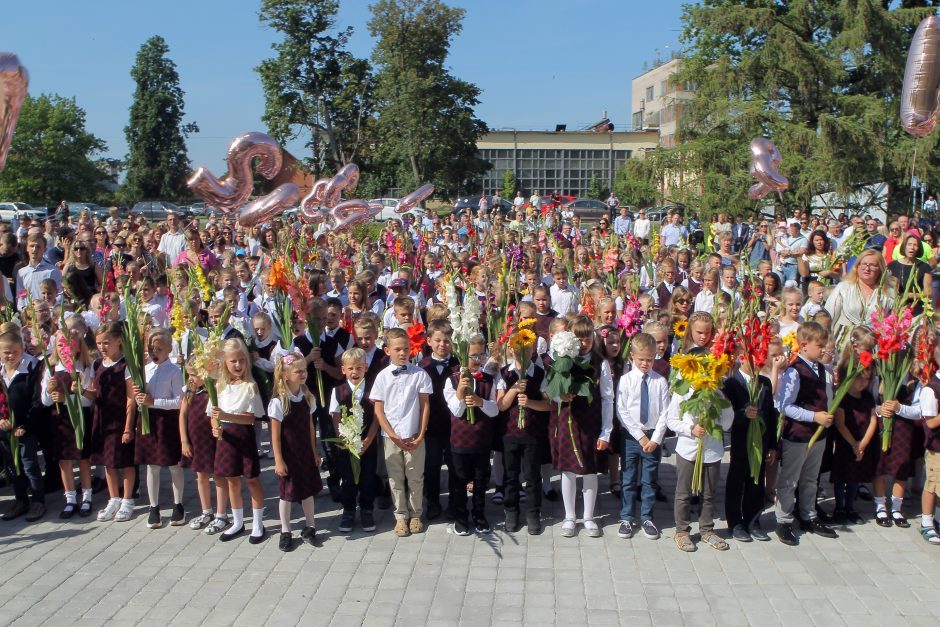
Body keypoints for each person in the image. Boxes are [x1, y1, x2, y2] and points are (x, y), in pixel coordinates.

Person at [774, 321, 838, 545]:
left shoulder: (821, 368)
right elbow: (785, 405)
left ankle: (808, 515)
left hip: (818, 434)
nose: (823, 349)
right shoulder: (794, 370)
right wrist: (814, 416)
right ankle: (783, 520)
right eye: (819, 345)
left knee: (811, 478)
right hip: (799, 434)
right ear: (803, 345)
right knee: (790, 479)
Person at [666, 347, 734, 552]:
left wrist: (723, 405)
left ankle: (707, 529)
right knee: (684, 492)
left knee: (708, 492)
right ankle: (682, 530)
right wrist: (690, 429)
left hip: (711, 450)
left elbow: (728, 422)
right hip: (688, 449)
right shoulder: (683, 391)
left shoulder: (716, 390)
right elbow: (672, 420)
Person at [551, 316, 614, 539]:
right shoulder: (563, 359)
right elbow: (551, 390)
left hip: (591, 422)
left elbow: (607, 398)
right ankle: (570, 516)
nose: (584, 343)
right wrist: (561, 395)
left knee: (589, 470)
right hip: (568, 421)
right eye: (580, 339)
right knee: (568, 470)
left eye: (588, 339)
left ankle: (588, 516)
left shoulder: (601, 363)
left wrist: (606, 431)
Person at [370, 328, 432, 537]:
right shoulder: (382, 377)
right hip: (391, 437)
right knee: (395, 478)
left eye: (406, 349)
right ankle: (400, 516)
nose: (403, 353)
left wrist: (421, 434)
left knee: (415, 476)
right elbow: (379, 410)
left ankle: (416, 513)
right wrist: (393, 435)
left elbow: (424, 406)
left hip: (414, 434)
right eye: (398, 349)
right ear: (387, 350)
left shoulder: (420, 375)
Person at [209, 338, 267, 543]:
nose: (238, 365)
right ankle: (237, 521)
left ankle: (258, 523)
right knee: (231, 480)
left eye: (242, 360)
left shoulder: (250, 386)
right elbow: (212, 414)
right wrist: (215, 427)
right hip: (226, 440)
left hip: (243, 436)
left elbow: (252, 417)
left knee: (251, 479)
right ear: (225, 362)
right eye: (233, 361)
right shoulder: (219, 385)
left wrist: (227, 416)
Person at [615, 333, 669, 541]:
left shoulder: (660, 382)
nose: (645, 363)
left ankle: (647, 517)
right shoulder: (626, 380)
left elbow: (665, 412)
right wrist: (639, 436)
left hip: (653, 436)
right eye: (641, 359)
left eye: (650, 359)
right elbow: (622, 410)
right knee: (628, 477)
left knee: (649, 479)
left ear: (655, 356)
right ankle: (626, 517)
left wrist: (655, 439)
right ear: (633, 357)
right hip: (631, 437)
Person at [131, 328, 185, 529]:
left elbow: (179, 401)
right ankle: (154, 507)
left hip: (167, 419)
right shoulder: (145, 369)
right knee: (151, 465)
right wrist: (139, 396)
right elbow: (139, 398)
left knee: (173, 464)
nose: (155, 353)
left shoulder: (174, 371)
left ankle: (178, 504)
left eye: (160, 349)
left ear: (169, 349)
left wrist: (154, 401)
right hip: (148, 419)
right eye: (152, 349)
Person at [444, 334, 498, 535]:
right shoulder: (451, 380)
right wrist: (461, 390)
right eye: (472, 355)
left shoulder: (489, 380)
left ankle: (479, 514)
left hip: (482, 440)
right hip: (460, 441)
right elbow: (456, 411)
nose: (476, 360)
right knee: (459, 480)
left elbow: (495, 410)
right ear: (462, 355)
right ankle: (460, 517)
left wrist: (480, 401)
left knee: (480, 480)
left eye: (480, 355)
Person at [270, 352, 321, 551]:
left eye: (304, 370)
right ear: (285, 375)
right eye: (298, 371)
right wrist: (278, 460)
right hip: (288, 454)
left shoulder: (307, 397)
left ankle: (310, 526)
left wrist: (314, 451)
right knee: (287, 494)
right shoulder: (278, 402)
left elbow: (310, 426)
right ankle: (285, 530)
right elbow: (274, 435)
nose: (303, 374)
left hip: (305, 453)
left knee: (307, 491)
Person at [89, 322, 135, 523]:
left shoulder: (126, 365)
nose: (102, 347)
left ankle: (128, 500)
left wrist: (128, 427)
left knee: (125, 462)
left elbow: (130, 398)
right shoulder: (97, 364)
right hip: (103, 419)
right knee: (108, 462)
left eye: (106, 342)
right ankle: (114, 497)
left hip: (120, 419)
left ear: (119, 341)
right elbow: (94, 393)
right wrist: (78, 389)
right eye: (99, 343)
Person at [330, 348, 380, 534]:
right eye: (350, 368)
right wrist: (344, 439)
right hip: (346, 445)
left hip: (368, 444)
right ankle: (349, 510)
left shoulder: (372, 390)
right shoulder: (337, 391)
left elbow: (377, 417)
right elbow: (335, 416)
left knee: (367, 479)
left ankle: (367, 510)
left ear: (366, 368)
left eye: (359, 368)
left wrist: (367, 440)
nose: (354, 372)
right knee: (348, 480)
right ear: (343, 370)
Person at [0, 328, 45, 522]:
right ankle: (20, 500)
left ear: (22, 350)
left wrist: (25, 425)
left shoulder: (28, 371)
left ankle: (37, 501)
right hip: (5, 429)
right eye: (6, 352)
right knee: (12, 466)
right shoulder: (1, 373)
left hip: (25, 429)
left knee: (29, 465)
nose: (10, 356)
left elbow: (36, 402)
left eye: (14, 352)